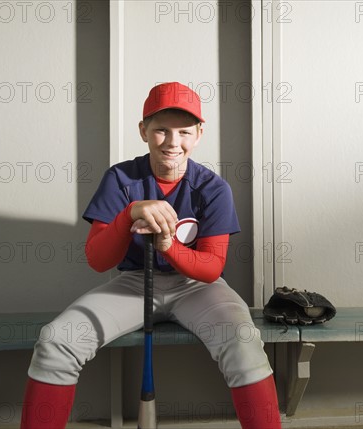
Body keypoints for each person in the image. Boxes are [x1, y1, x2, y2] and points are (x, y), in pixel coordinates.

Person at [20, 82, 282, 429]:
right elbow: (98, 259)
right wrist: (128, 214)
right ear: (143, 130)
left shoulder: (213, 188)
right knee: (56, 341)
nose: (173, 142)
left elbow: (211, 268)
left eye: (184, 131)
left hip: (198, 287)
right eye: (161, 130)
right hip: (133, 284)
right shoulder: (121, 179)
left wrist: (167, 246)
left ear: (199, 133)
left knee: (245, 342)